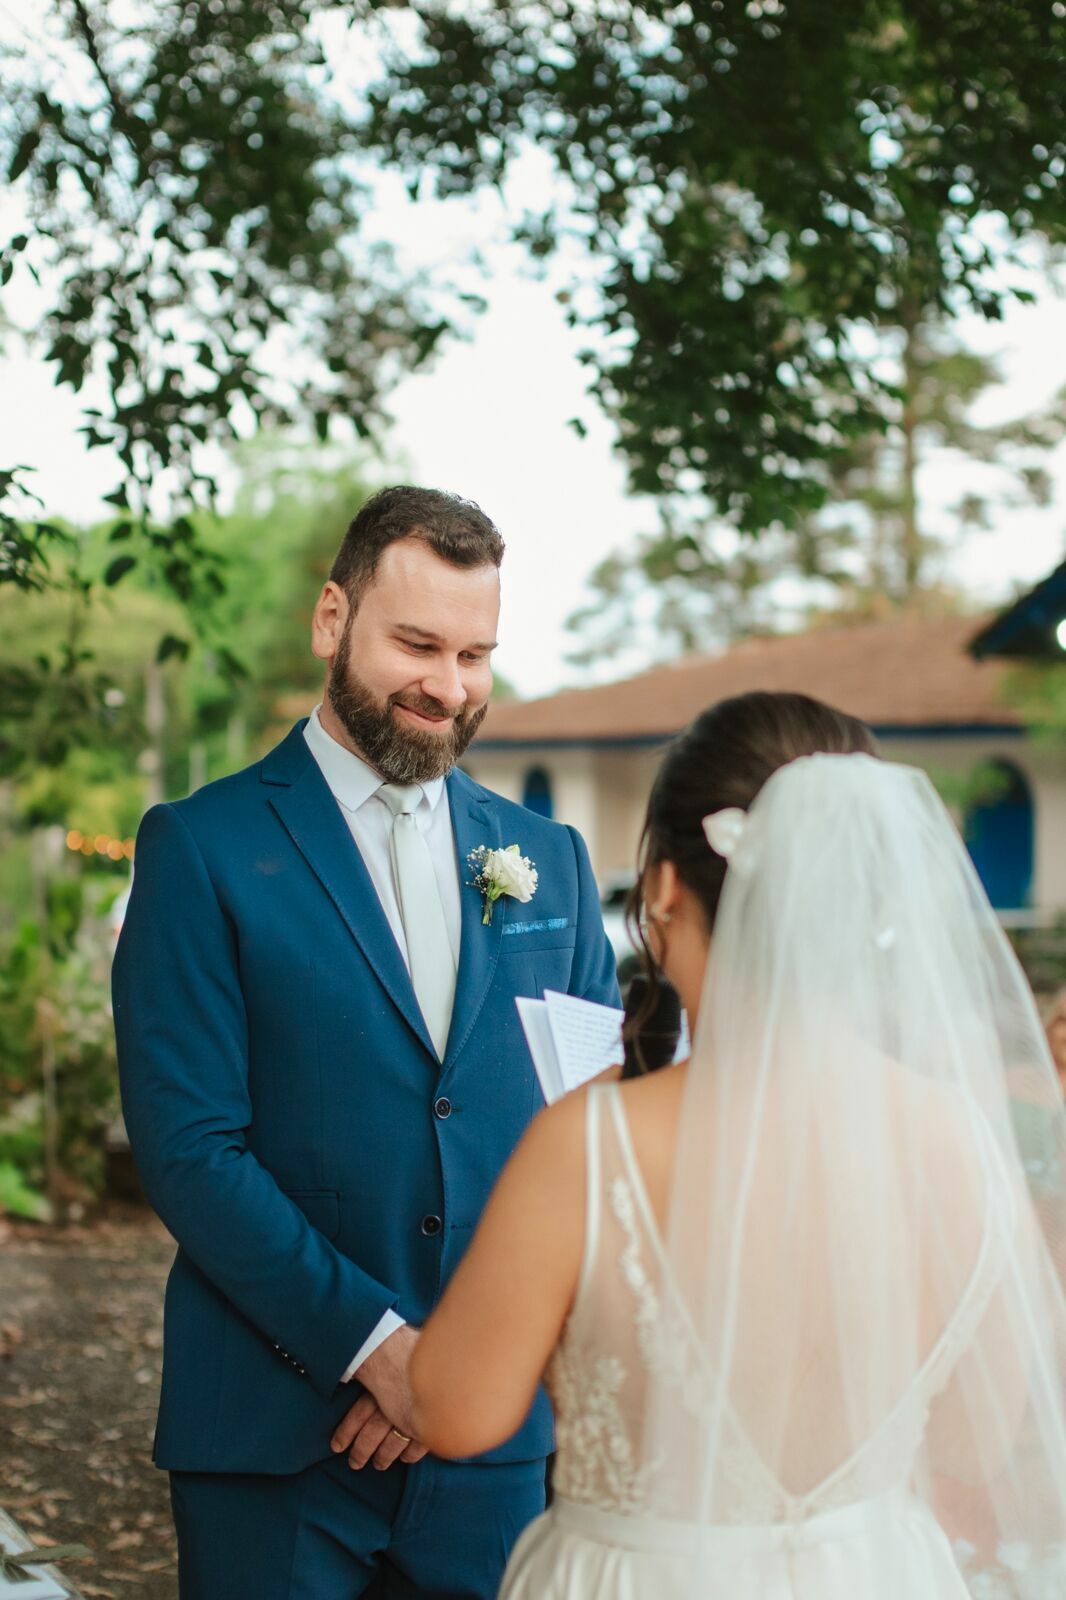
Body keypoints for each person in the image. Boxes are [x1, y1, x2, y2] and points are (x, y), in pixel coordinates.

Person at [396, 691, 1066, 1599]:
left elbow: (457, 1411)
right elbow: (975, 1442)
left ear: (665, 889)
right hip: (874, 1570)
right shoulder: (963, 1142)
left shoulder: (591, 1145)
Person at [112, 486, 619, 1600]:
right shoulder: (201, 848)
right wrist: (378, 1349)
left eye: (477, 653)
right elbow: (191, 1148)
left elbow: (589, 1141)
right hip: (275, 1436)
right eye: (418, 643)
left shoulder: (554, 862)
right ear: (332, 620)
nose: (449, 686)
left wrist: (460, 1363)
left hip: (490, 1445)